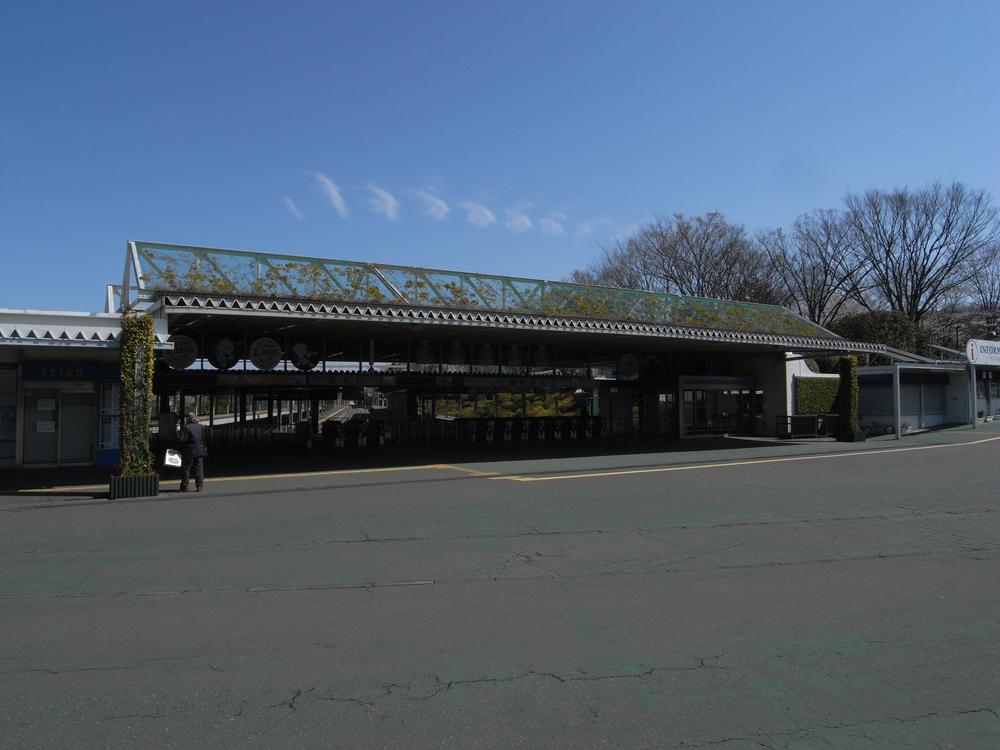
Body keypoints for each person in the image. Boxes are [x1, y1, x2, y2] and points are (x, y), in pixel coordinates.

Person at [177, 413, 208, 492]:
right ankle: (199, 486)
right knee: (199, 469)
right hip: (200, 450)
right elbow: (204, 439)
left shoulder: (186, 427)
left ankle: (184, 487)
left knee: (186, 469)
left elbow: (182, 439)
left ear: (188, 419)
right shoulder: (201, 427)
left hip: (189, 451)